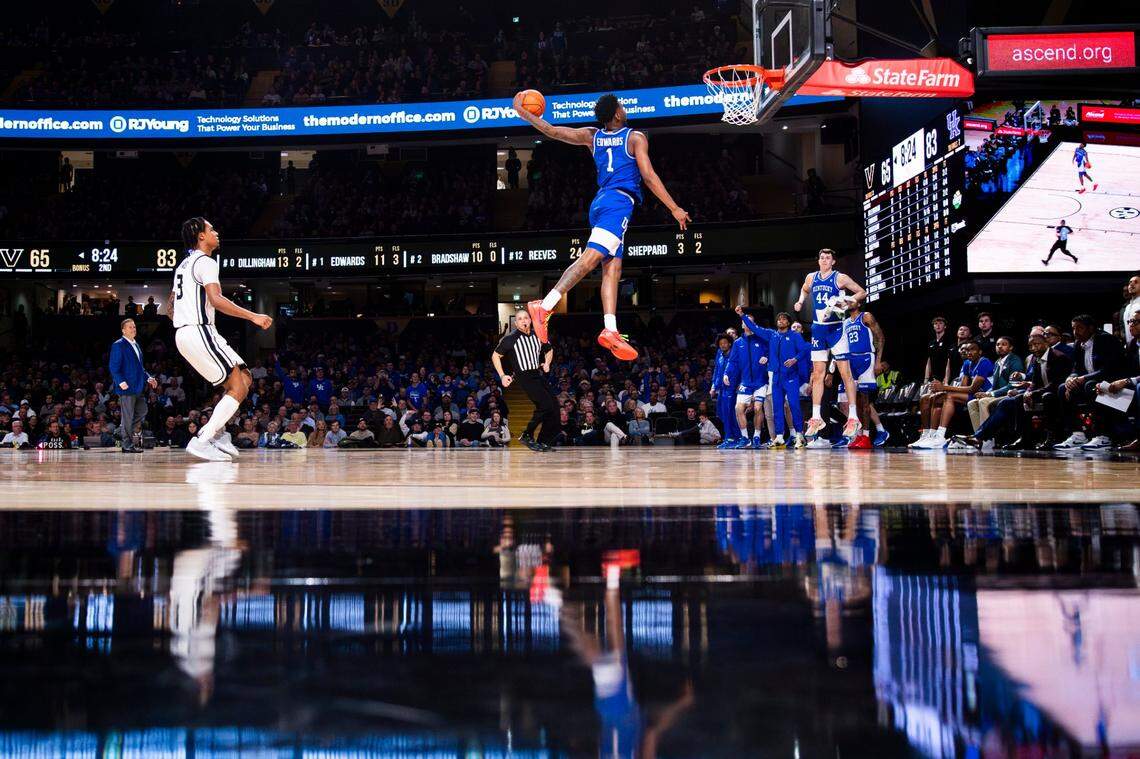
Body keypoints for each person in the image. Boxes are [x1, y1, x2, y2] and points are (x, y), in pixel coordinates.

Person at [514, 91, 690, 362]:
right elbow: (649, 176)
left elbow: (551, 130)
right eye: (621, 105)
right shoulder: (635, 137)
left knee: (613, 267)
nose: (623, 108)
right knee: (591, 259)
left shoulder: (591, 135)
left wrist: (523, 112)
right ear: (618, 113)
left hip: (601, 202)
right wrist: (674, 207)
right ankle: (544, 305)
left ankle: (610, 329)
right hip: (618, 202)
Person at [170, 217, 273, 462]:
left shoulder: (184, 264)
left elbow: (170, 306)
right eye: (211, 229)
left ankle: (218, 434)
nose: (216, 232)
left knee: (244, 378)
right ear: (201, 236)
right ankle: (203, 439)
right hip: (199, 330)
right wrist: (253, 316)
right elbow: (216, 300)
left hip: (188, 332)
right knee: (237, 387)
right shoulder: (205, 261)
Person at [794, 248, 867, 440]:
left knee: (845, 373)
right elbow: (804, 289)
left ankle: (852, 417)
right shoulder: (811, 277)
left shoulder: (840, 278)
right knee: (817, 374)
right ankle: (817, 417)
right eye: (822, 257)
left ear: (833, 262)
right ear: (818, 260)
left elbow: (862, 292)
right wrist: (800, 302)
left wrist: (848, 302)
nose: (825, 260)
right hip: (818, 328)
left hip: (836, 328)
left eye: (828, 258)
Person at [493, 309, 556, 452]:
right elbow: (495, 356)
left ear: (530, 320)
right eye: (520, 319)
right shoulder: (510, 338)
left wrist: (547, 363)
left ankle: (542, 441)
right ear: (516, 323)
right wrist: (502, 375)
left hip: (537, 374)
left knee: (550, 408)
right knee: (546, 405)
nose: (523, 321)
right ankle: (526, 434)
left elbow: (549, 349)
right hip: (524, 376)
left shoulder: (538, 334)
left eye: (526, 318)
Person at [911, 341, 994, 449]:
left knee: (948, 396)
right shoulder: (967, 364)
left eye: (973, 349)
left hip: (985, 395)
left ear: (980, 352)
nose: (969, 352)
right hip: (973, 394)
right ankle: (928, 435)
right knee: (928, 398)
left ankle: (940, 436)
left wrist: (944, 388)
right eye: (967, 350)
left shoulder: (984, 362)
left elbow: (972, 388)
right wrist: (942, 390)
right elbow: (963, 386)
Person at [729, 306, 776, 449]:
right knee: (738, 408)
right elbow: (732, 361)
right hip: (745, 382)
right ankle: (745, 438)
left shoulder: (762, 339)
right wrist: (726, 374)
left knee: (757, 408)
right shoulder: (737, 343)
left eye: (750, 322)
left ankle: (756, 436)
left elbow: (772, 352)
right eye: (745, 321)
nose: (747, 324)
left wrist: (766, 357)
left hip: (760, 381)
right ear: (742, 324)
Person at [109, 318, 158, 454]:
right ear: (123, 330)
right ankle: (127, 445)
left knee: (142, 410)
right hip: (126, 387)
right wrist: (121, 381)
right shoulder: (118, 345)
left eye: (134, 327)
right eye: (130, 327)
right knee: (128, 416)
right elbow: (114, 366)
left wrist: (149, 378)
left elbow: (140, 368)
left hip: (138, 386)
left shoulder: (136, 345)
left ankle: (120, 430)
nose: (133, 329)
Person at [840, 302, 885, 449]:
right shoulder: (845, 322)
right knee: (855, 402)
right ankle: (858, 435)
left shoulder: (866, 316)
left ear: (858, 303)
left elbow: (880, 338)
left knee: (865, 401)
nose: (848, 303)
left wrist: (878, 361)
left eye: (851, 300)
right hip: (851, 361)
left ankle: (866, 436)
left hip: (866, 358)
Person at [767, 311, 810, 448]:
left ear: (788, 323)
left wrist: (794, 359)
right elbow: (756, 329)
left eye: (784, 319)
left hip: (791, 376)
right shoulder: (773, 335)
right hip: (777, 377)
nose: (780, 320)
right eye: (779, 319)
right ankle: (779, 437)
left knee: (794, 406)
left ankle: (799, 435)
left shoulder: (795, 336)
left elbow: (804, 350)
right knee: (777, 408)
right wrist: (742, 316)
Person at [711, 330, 740, 447]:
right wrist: (714, 386)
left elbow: (740, 371)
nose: (723, 345)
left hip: (732, 388)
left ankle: (734, 438)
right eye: (720, 343)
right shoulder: (720, 356)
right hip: (722, 389)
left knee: (731, 414)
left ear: (729, 344)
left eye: (725, 343)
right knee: (722, 413)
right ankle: (730, 437)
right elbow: (717, 372)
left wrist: (739, 384)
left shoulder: (734, 356)